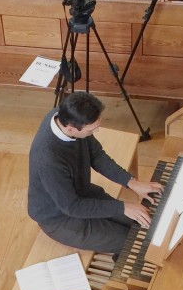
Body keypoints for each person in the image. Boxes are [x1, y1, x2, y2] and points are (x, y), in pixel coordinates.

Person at [27, 91, 163, 253]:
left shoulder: (63, 116)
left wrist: (131, 182)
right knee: (134, 242)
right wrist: (122, 207)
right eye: (91, 130)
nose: (95, 132)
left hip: (83, 194)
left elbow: (96, 155)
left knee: (146, 222)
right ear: (71, 129)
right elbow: (72, 207)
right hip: (59, 217)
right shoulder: (48, 159)